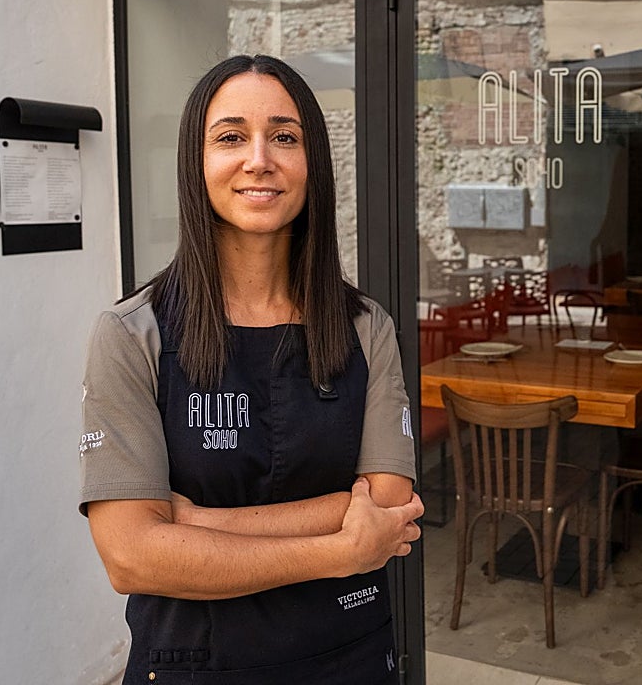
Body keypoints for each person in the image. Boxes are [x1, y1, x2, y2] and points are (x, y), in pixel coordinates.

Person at [79, 54, 424, 684]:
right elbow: (131, 558)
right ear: (196, 163)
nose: (259, 159)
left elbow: (390, 503)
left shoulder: (364, 327)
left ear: (311, 163)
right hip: (194, 663)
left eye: (285, 137)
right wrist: (342, 548)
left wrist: (195, 525)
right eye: (231, 137)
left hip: (348, 655)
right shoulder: (133, 335)